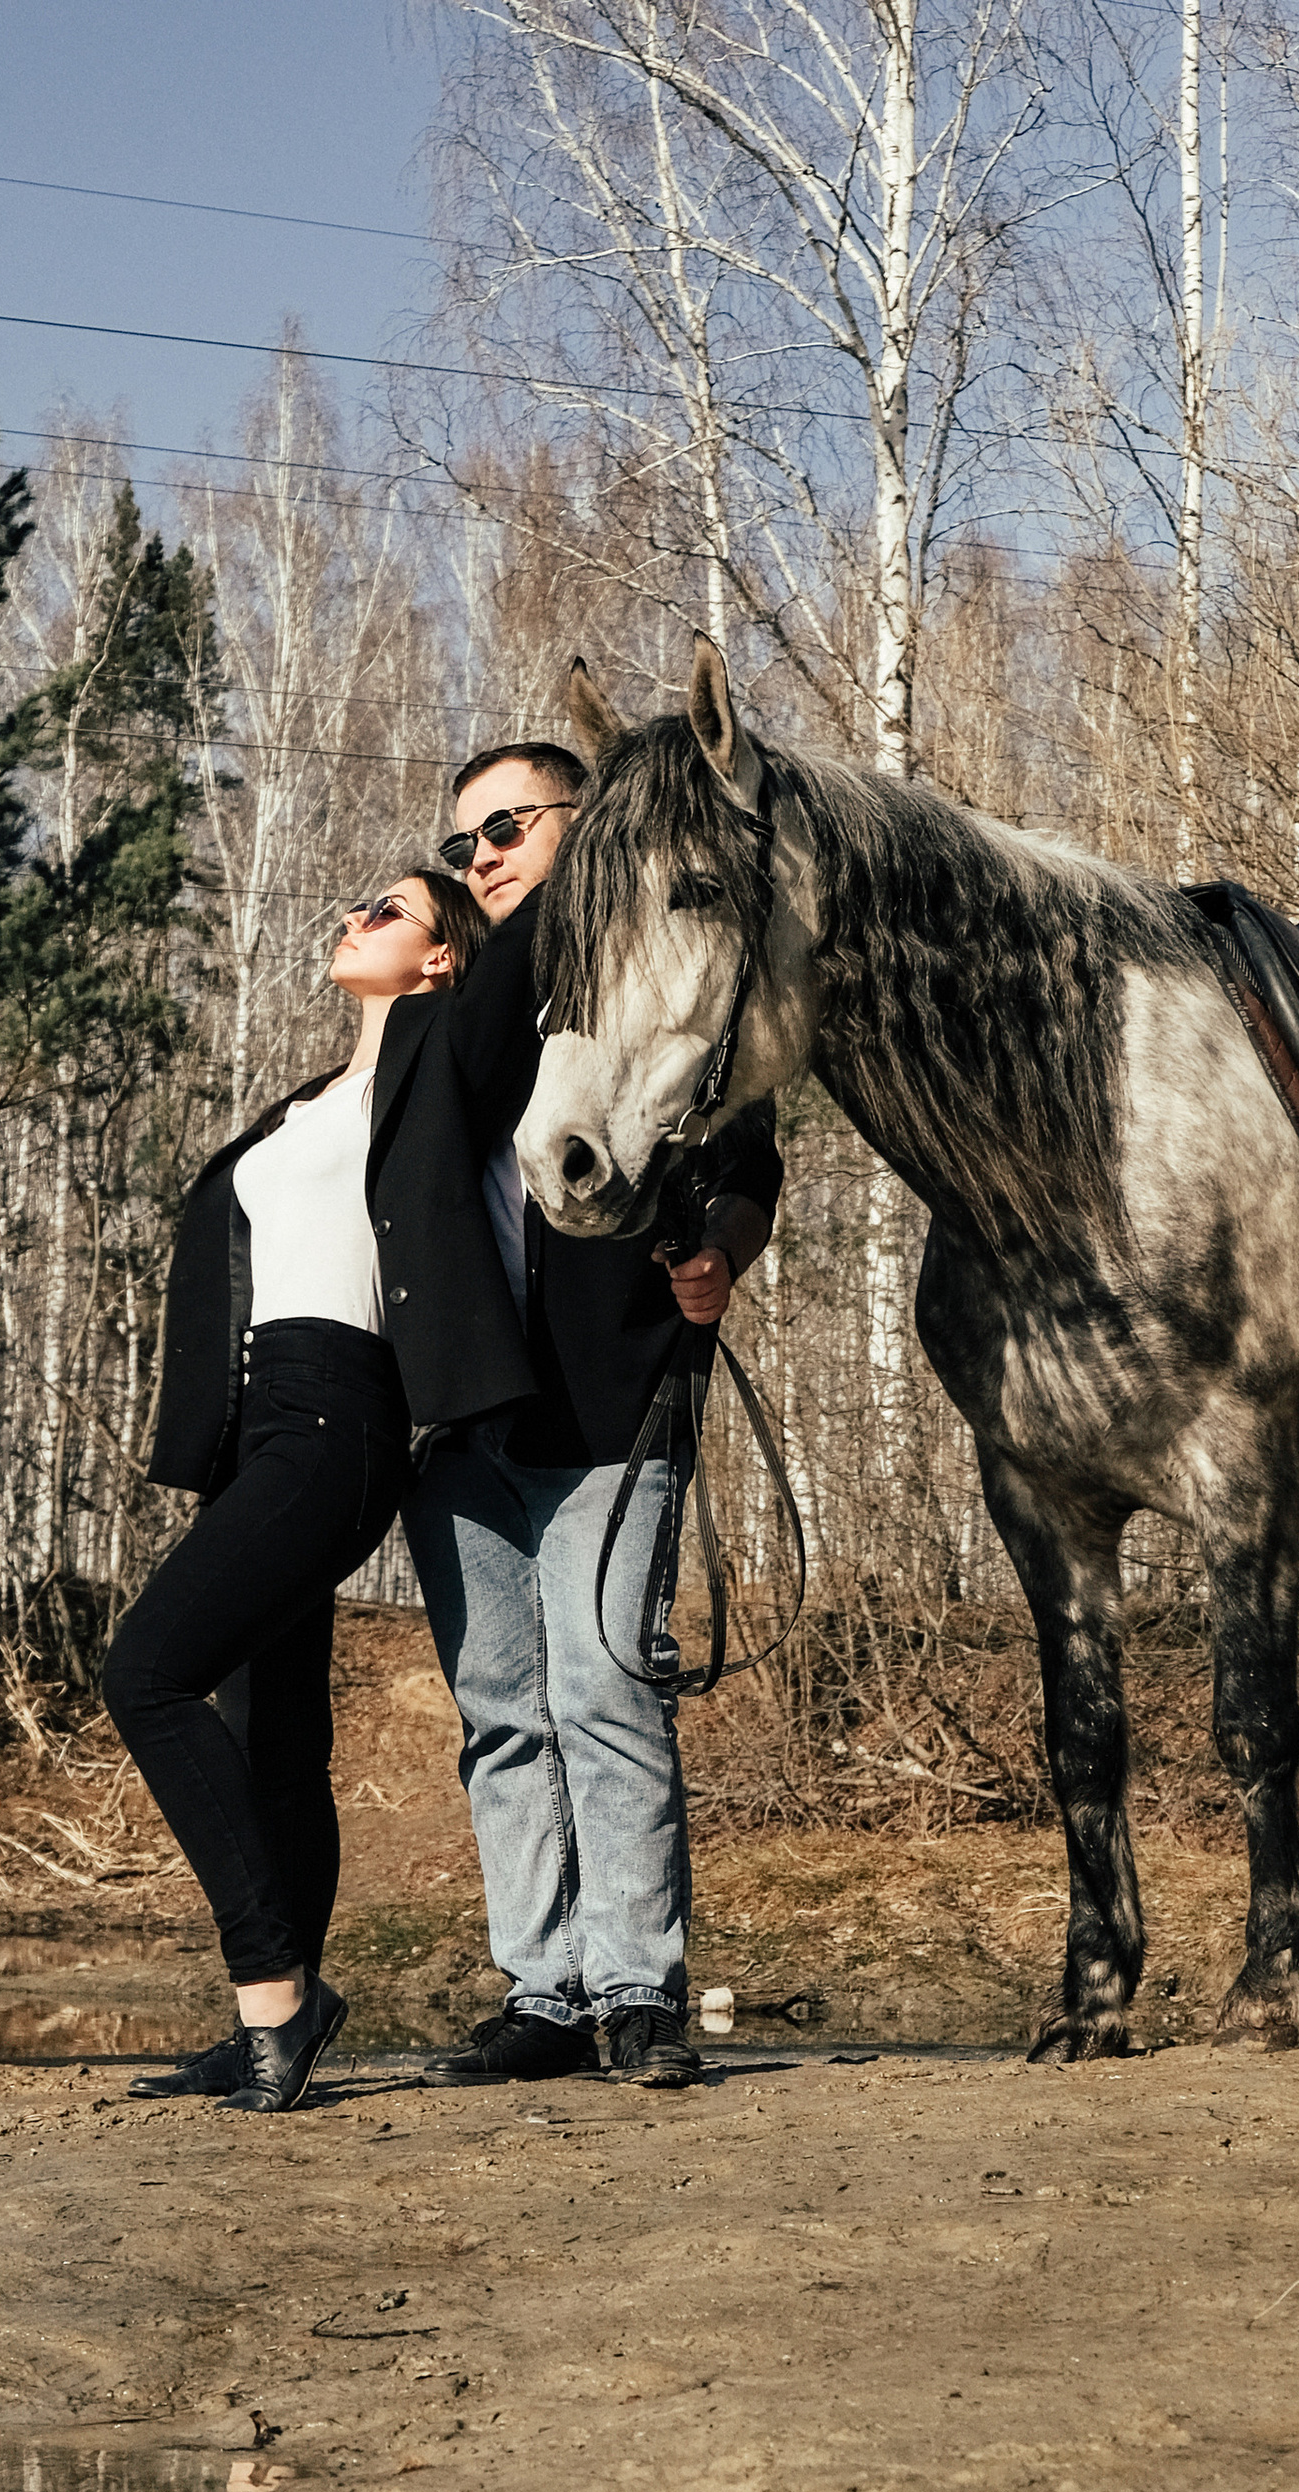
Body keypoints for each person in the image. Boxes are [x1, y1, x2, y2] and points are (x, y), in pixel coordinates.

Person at [106, 868, 532, 2113]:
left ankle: (277, 1996)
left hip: (344, 1416)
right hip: (259, 1421)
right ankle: (268, 2026)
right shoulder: (307, 1105)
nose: (353, 918)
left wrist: (520, 853)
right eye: (354, 905)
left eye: (386, 910)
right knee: (274, 1735)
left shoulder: (448, 1055)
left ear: (445, 958)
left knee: (146, 1674)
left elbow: (527, 964)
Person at [402, 738, 785, 2091]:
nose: (482, 858)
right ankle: (543, 1992)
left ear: (585, 824)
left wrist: (718, 1255)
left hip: (610, 1417)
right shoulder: (451, 1008)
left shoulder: (660, 996)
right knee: (502, 1713)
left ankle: (638, 1993)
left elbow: (752, 1168)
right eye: (464, 845)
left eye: (505, 828)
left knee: (610, 1693)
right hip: (457, 1432)